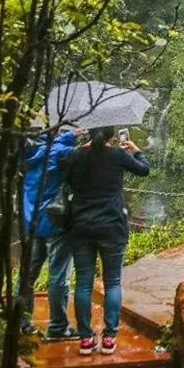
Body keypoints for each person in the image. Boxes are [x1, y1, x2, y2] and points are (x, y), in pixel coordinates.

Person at [64, 126, 149, 355]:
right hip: (112, 226)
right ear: (112, 137)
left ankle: (85, 339)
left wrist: (79, 149)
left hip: (81, 226)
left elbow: (65, 177)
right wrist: (136, 151)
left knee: (83, 283)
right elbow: (144, 170)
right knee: (112, 282)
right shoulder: (118, 155)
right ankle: (109, 338)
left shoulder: (75, 155)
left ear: (89, 135)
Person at [18, 129, 79, 339]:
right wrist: (71, 136)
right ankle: (58, 327)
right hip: (55, 222)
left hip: (31, 222)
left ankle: (21, 323)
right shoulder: (62, 151)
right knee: (58, 276)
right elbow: (77, 162)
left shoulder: (29, 152)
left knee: (27, 275)